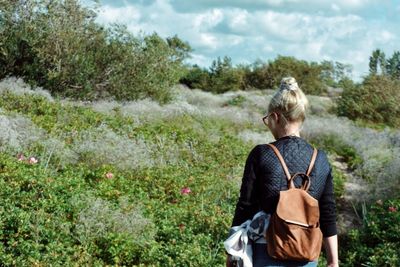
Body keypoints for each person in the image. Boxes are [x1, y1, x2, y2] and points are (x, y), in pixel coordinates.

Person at [226, 77, 339, 267]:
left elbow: (245, 206)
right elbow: (327, 212)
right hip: (307, 252)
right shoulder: (320, 158)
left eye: (267, 120)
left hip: (267, 251)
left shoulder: (261, 154)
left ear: (275, 117)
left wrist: (232, 252)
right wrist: (333, 261)